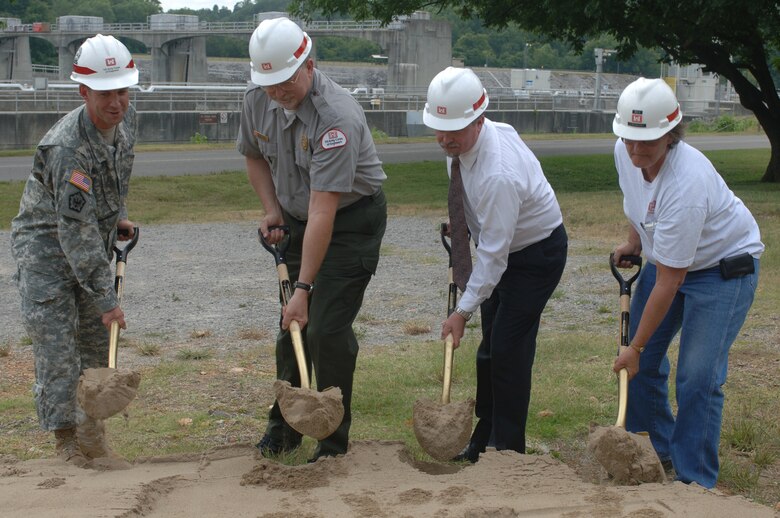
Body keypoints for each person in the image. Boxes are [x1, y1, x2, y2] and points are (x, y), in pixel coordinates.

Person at [236, 17, 387, 461]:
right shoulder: (256, 99)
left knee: (325, 328)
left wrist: (303, 288)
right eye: (270, 85)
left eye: (286, 82)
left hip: (349, 221)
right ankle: (285, 426)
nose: (278, 93)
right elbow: (254, 158)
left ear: (309, 64)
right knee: (291, 327)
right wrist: (272, 211)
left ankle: (332, 439)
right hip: (299, 217)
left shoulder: (335, 118)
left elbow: (325, 210)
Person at [611, 77, 764, 488]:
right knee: (641, 370)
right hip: (672, 263)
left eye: (649, 141)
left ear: (671, 133)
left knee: (697, 375)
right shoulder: (626, 151)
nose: (637, 149)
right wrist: (634, 241)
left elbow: (670, 280)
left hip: (723, 269)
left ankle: (694, 480)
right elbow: (636, 201)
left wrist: (636, 346)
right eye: (630, 138)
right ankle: (654, 453)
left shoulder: (688, 182)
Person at [422, 67, 568, 462]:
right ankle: (483, 439)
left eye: (455, 129)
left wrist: (462, 311)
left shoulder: (498, 174)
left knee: (507, 349)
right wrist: (466, 218)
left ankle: (508, 451)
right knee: (490, 351)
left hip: (536, 255)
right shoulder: (464, 146)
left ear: (479, 118)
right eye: (439, 128)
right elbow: (477, 207)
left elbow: (494, 256)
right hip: (504, 246)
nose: (446, 138)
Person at [10, 34, 139, 467]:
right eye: (105, 93)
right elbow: (75, 231)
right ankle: (66, 443)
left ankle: (92, 437)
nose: (116, 102)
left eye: (122, 90)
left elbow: (117, 177)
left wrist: (118, 213)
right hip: (45, 252)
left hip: (85, 243)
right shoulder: (67, 147)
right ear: (84, 91)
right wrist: (107, 300)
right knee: (59, 352)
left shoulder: (127, 122)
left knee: (94, 345)